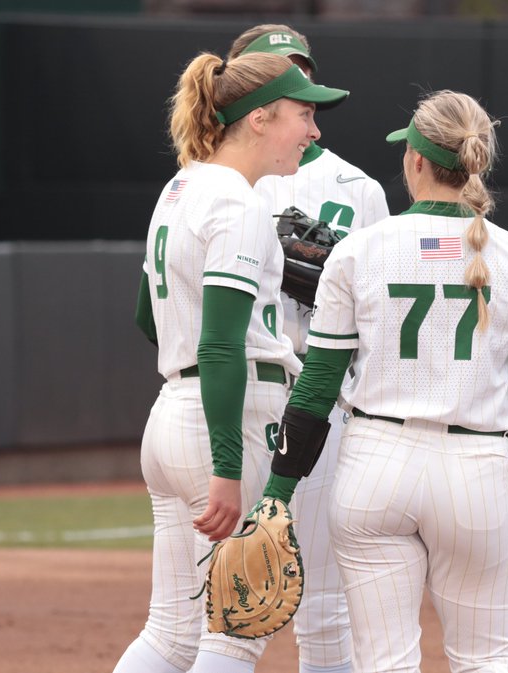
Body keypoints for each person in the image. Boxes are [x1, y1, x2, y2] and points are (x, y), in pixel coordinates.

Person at [260, 90, 508, 673]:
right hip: (475, 465)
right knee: (488, 657)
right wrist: (498, 477)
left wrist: (276, 494)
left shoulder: (359, 252)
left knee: (384, 663)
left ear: (416, 161)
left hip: (376, 463)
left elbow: (316, 390)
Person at [112, 50, 348, 673]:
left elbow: (147, 318)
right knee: (236, 631)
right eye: (304, 114)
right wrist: (224, 463)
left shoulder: (180, 186)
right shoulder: (239, 203)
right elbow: (221, 345)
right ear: (261, 118)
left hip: (172, 412)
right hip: (230, 421)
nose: (314, 130)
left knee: (171, 633)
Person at [226, 25, 390, 673]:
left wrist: (331, 285)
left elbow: (380, 312)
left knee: (325, 603)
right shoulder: (210, 180)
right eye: (265, 69)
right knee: (222, 601)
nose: (281, 80)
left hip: (321, 400)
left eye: (293, 72)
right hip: (235, 392)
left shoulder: (359, 189)